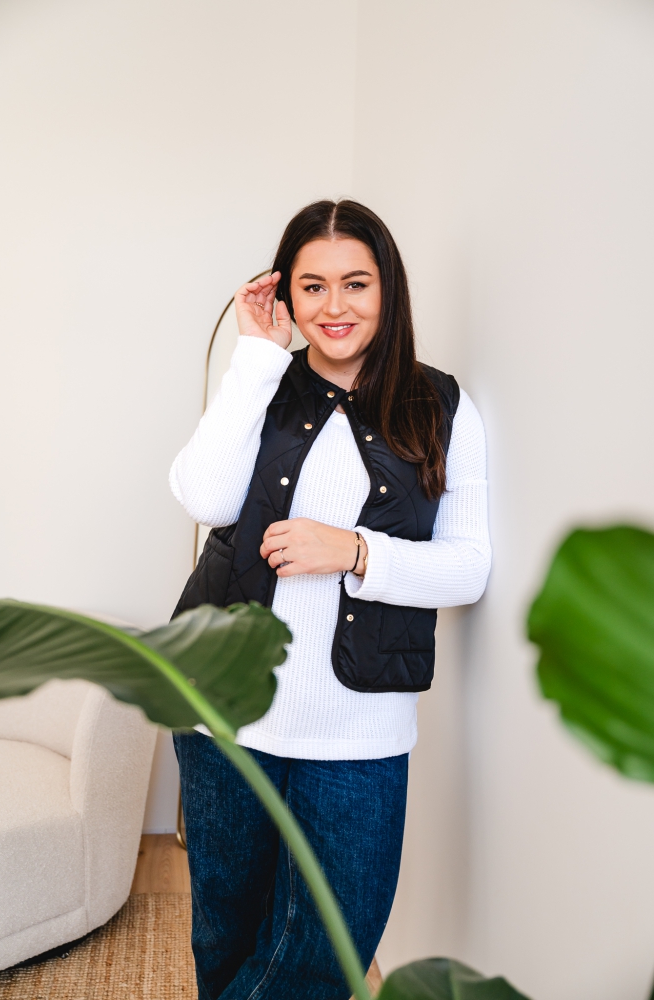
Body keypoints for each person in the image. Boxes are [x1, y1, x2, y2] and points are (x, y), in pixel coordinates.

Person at [169, 199, 491, 1000]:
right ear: (286, 293)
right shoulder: (261, 382)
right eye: (312, 286)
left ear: (388, 289)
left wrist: (352, 551)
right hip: (222, 713)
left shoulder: (442, 405)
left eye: (356, 283)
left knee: (323, 955)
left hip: (359, 728)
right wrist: (254, 355)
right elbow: (204, 497)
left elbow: (468, 567)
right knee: (225, 935)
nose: (333, 306)